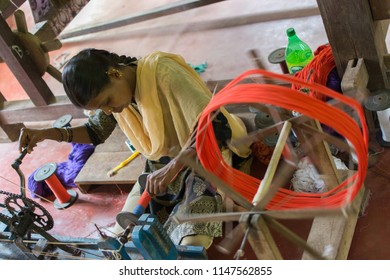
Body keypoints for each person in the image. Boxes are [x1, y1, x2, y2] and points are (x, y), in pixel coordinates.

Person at [18, 49, 252, 249]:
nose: (109, 111)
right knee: (121, 232)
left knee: (190, 241)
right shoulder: (120, 96)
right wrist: (47, 133)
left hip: (202, 158)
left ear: (114, 73)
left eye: (107, 102)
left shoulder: (164, 73)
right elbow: (94, 131)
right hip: (163, 165)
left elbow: (215, 128)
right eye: (102, 108)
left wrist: (172, 168)